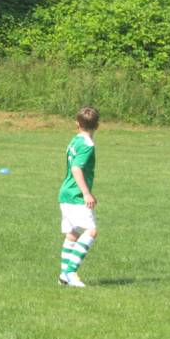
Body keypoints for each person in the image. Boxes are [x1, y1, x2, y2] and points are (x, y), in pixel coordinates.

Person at [58, 106, 99, 288]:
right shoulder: (87, 146)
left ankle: (63, 276)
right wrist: (86, 193)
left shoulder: (74, 141)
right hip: (75, 195)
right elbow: (76, 168)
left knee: (73, 233)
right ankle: (71, 271)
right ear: (97, 125)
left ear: (77, 124)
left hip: (65, 193)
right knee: (91, 231)